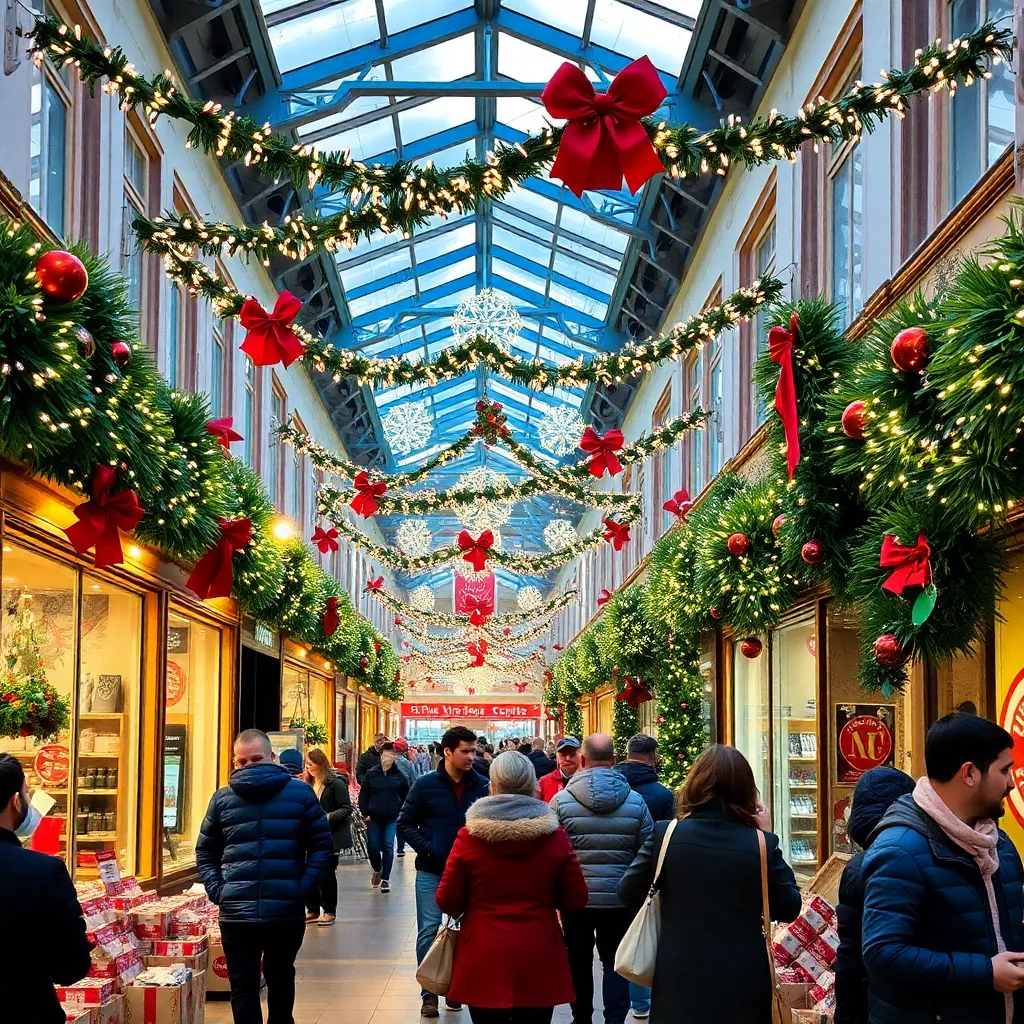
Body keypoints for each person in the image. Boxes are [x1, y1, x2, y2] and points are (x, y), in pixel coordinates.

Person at [618, 744, 801, 1024]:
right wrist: (766, 835)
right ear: (746, 791)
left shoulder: (667, 835)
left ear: (694, 785)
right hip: (743, 976)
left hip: (678, 971)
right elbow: (788, 907)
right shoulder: (760, 844)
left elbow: (628, 891)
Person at [861, 713, 1024, 1023]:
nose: (1012, 783)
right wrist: (986, 973)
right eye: (1005, 770)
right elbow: (883, 954)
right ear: (970, 774)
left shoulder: (996, 842)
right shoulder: (899, 850)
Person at [436, 750, 590, 1024]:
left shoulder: (469, 838)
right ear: (534, 786)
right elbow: (576, 899)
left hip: (482, 952)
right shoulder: (555, 838)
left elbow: (447, 899)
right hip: (539, 949)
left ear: (492, 787)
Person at [196, 729, 333, 1024]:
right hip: (247, 911)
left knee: (266, 980)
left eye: (255, 759)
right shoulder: (223, 799)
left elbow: (322, 847)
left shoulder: (295, 794)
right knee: (262, 981)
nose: (248, 767)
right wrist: (219, 890)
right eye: (242, 761)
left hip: (272, 909)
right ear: (234, 762)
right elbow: (205, 852)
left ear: (272, 758)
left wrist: (301, 889)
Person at [551, 733, 653, 1024]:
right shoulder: (636, 802)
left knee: (578, 960)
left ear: (582, 760)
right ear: (614, 759)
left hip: (575, 899)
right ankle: (615, 1019)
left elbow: (553, 852)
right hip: (620, 899)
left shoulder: (561, 801)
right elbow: (646, 852)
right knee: (615, 963)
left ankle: (581, 1017)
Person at [397, 725, 490, 1018]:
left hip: (471, 873)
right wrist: (428, 848)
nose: (471, 757)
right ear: (447, 752)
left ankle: (456, 987)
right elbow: (405, 823)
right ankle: (430, 993)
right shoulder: (425, 785)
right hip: (432, 869)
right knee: (429, 930)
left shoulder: (483, 785)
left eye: (474, 751)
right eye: (465, 751)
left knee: (468, 932)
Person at [0, 753, 92, 1024]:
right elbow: (71, 966)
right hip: (26, 1010)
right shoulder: (43, 872)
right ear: (16, 802)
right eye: (27, 793)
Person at [833, 766, 915, 1024]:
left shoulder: (858, 868)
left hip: (872, 1004)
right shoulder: (919, 859)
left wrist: (844, 1015)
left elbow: (849, 957)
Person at [615, 734, 675, 1018]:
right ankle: (640, 1002)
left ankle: (613, 1004)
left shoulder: (612, 785)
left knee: (608, 945)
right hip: (645, 877)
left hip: (607, 875)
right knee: (641, 935)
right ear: (652, 757)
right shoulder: (662, 795)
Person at [304, 748, 353, 926]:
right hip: (310, 836)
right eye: (307, 764)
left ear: (321, 764)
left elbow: (346, 808)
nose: (308, 767)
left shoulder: (335, 784)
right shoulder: (307, 784)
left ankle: (330, 910)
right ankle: (312, 908)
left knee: (326, 874)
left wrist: (327, 817)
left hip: (330, 836)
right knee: (308, 872)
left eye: (311, 764)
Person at [358, 742, 410, 894]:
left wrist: (402, 812)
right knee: (373, 847)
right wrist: (365, 813)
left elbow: (406, 796)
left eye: (390, 755)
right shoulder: (371, 774)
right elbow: (364, 795)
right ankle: (377, 869)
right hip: (373, 817)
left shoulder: (399, 777)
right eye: (385, 755)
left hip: (392, 817)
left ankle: (385, 879)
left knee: (388, 845)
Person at [393, 738, 417, 858]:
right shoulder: (408, 764)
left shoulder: (383, 762)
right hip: (403, 797)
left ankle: (385, 845)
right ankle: (400, 848)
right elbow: (414, 781)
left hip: (386, 796)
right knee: (400, 821)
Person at [539, 736, 582, 801]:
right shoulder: (543, 782)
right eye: (563, 754)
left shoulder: (588, 780)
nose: (568, 758)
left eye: (572, 754)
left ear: (580, 755)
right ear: (557, 757)